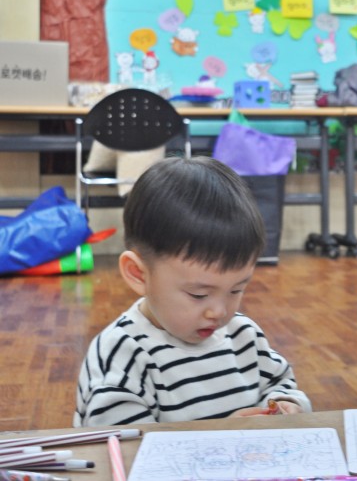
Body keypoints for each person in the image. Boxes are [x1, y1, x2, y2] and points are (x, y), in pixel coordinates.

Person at [75, 156, 311, 427]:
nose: (219, 312)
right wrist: (219, 433)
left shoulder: (244, 336)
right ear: (138, 274)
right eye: (199, 295)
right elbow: (126, 453)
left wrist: (286, 405)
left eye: (237, 290)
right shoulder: (124, 356)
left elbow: (281, 383)